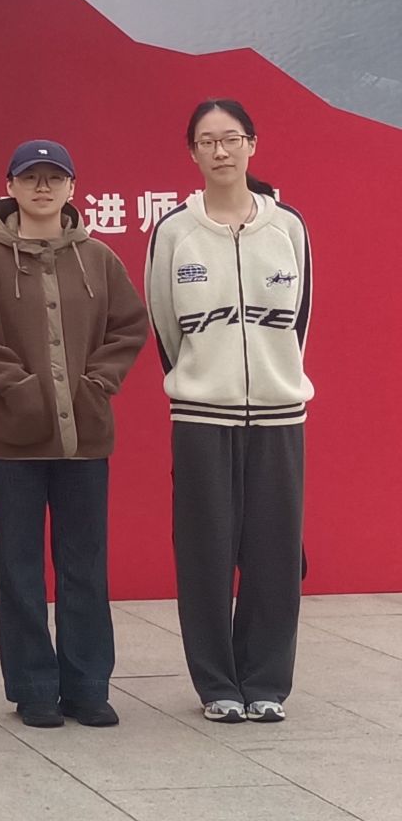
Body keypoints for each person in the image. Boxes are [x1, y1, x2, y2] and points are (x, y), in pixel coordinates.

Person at [0, 139, 148, 729]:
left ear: (72, 188)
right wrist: (20, 387)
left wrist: (97, 384)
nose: (42, 187)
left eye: (53, 178)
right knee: (19, 569)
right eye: (30, 177)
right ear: (9, 186)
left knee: (84, 566)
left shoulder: (99, 258)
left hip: (85, 440)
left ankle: (87, 686)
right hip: (12, 443)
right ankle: (33, 686)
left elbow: (128, 327)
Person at [146, 99, 313, 724]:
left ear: (252, 145)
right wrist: (199, 381)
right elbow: (165, 327)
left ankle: (266, 682)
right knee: (205, 553)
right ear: (192, 152)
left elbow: (300, 322)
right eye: (207, 141)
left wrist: (276, 382)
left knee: (274, 554)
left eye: (231, 138)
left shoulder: (287, 227)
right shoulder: (173, 232)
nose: (220, 151)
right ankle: (216, 683)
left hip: (278, 415)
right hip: (201, 417)